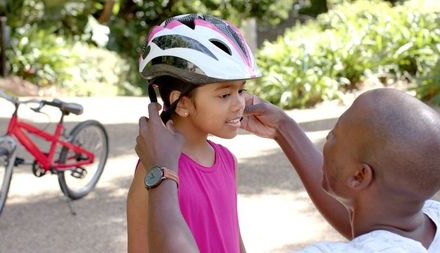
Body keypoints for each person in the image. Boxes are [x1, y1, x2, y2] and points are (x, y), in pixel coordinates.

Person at [135, 88, 440, 253]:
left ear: (359, 177)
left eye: (333, 134)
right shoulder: (427, 219)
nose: (325, 141)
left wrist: (161, 171)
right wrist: (283, 127)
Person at [127, 14, 261, 253]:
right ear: (181, 103)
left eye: (241, 90)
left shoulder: (228, 160)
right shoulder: (154, 170)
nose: (239, 103)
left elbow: (233, 237)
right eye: (224, 95)